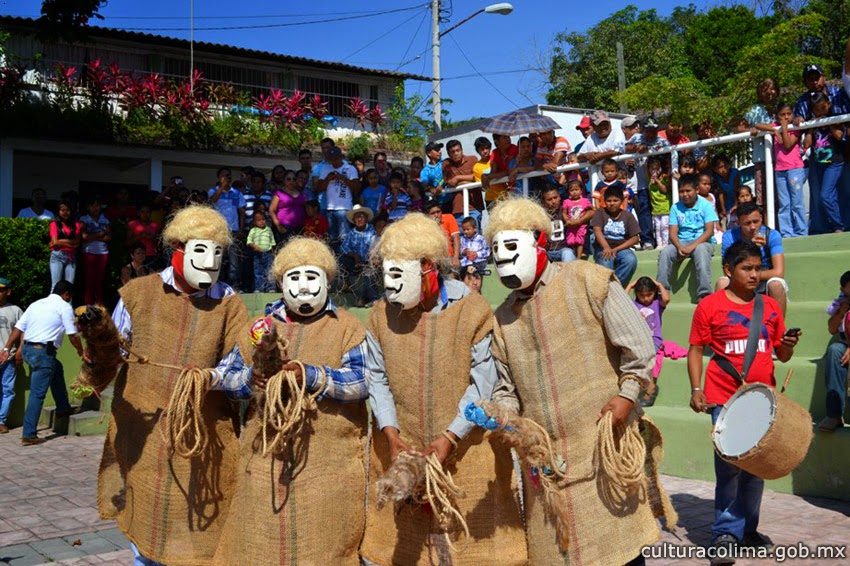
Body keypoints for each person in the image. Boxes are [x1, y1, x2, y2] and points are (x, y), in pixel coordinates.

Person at [484, 197, 672, 566]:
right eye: (496, 250)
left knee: (621, 554)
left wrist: (627, 396)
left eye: (511, 246)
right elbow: (505, 388)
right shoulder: (502, 319)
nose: (503, 257)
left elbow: (639, 346)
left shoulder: (589, 280)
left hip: (602, 452)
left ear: (539, 241)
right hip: (547, 470)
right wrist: (505, 418)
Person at [360, 213, 526, 565]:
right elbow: (377, 377)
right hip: (402, 453)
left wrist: (450, 437)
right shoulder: (379, 316)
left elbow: (482, 381)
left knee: (472, 550)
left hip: (468, 453)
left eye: (400, 273)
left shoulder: (473, 310)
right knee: (404, 551)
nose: (391, 286)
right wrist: (391, 435)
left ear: (428, 267)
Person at [100, 205, 254, 565]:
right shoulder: (137, 293)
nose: (210, 262)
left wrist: (211, 377)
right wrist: (97, 346)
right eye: (201, 250)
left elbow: (241, 366)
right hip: (143, 432)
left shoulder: (229, 303)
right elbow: (113, 353)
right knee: (145, 516)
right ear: (178, 249)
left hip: (201, 436)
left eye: (218, 253)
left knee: (196, 524)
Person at [214, 237, 370, 564]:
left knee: (325, 548)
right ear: (281, 282)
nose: (303, 286)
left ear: (327, 281)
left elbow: (363, 380)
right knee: (261, 546)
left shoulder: (348, 327)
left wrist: (311, 376)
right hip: (264, 459)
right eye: (294, 277)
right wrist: (250, 380)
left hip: (328, 464)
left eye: (312, 277)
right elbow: (228, 377)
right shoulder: (257, 327)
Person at [688, 241, 799, 563]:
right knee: (730, 469)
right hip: (724, 398)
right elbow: (696, 349)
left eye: (757, 269)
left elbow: (782, 354)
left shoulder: (770, 306)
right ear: (728, 270)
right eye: (746, 268)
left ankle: (748, 530)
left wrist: (788, 344)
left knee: (755, 470)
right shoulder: (709, 306)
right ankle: (724, 534)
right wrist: (696, 388)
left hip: (762, 400)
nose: (754, 275)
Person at [0, 280, 84, 445]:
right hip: (42, 352)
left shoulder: (36, 304)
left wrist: (6, 348)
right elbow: (72, 334)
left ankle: (63, 408)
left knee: (56, 368)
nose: (69, 300)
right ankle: (29, 435)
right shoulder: (64, 306)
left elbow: (18, 328)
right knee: (37, 394)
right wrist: (81, 351)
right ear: (66, 294)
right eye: (69, 297)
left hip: (28, 350)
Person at [716, 202, 788, 316]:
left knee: (776, 285)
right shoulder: (729, 237)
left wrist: (752, 275)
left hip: (764, 278)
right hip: (740, 277)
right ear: (738, 223)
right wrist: (748, 245)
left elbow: (779, 272)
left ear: (761, 218)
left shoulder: (772, 235)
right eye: (747, 223)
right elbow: (728, 270)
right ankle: (723, 323)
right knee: (722, 282)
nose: (753, 227)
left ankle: (778, 325)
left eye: (756, 221)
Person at [658, 174, 718, 301]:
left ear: (697, 190)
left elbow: (709, 231)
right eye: (681, 191)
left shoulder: (706, 205)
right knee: (665, 252)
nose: (685, 194)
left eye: (688, 191)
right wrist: (679, 246)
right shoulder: (675, 207)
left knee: (701, 250)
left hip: (703, 241)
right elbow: (672, 233)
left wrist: (692, 247)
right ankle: (662, 290)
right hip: (682, 242)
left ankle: (705, 294)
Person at [754, 102, 807, 237]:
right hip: (780, 170)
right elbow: (757, 125)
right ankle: (786, 232)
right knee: (784, 203)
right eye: (782, 115)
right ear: (777, 116)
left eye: (789, 114)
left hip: (794, 169)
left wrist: (784, 128)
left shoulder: (794, 127)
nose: (786, 117)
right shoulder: (776, 126)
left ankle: (801, 231)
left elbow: (787, 144)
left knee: (796, 202)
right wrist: (775, 130)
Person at [802, 92, 847, 234]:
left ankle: (838, 225)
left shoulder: (835, 119)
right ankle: (830, 225)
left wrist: (828, 122)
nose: (820, 112)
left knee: (826, 195)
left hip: (834, 162)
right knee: (825, 196)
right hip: (819, 163)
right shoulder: (813, 123)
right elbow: (806, 144)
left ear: (828, 105)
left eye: (823, 108)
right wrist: (812, 126)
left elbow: (839, 136)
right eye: (817, 110)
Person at [625, 117, 672, 250]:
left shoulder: (663, 142)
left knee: (663, 212)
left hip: (658, 184)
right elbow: (625, 148)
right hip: (642, 184)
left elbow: (671, 156)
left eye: (653, 130)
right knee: (644, 211)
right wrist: (636, 148)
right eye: (648, 130)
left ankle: (666, 240)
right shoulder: (636, 138)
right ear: (643, 130)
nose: (651, 133)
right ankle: (648, 241)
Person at [625, 276, 671, 407]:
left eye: (649, 294)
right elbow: (623, 299)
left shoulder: (657, 304)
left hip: (653, 339)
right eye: (641, 295)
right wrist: (631, 285)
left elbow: (666, 299)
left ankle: (651, 388)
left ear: (654, 292)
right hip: (639, 340)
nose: (645, 298)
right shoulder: (634, 305)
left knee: (646, 357)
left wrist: (659, 285)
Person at [818, 270, 850, 431]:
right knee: (835, 350)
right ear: (843, 289)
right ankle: (834, 414)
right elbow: (832, 329)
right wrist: (841, 312)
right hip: (845, 345)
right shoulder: (841, 304)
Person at [591, 186, 641, 286]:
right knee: (606, 261)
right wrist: (606, 247)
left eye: (615, 200)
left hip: (621, 248)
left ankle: (614, 287)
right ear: (604, 201)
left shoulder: (627, 215)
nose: (612, 203)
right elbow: (597, 230)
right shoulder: (600, 212)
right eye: (609, 201)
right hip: (603, 247)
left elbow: (635, 238)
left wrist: (616, 249)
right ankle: (609, 288)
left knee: (631, 260)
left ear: (621, 201)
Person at [208, 166, 247, 290]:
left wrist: (241, 229)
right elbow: (213, 201)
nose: (227, 177)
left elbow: (242, 212)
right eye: (224, 175)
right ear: (218, 178)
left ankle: (234, 287)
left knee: (234, 261)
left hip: (233, 231)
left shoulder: (237, 193)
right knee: (218, 259)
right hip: (218, 231)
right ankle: (216, 286)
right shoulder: (212, 191)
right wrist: (221, 187)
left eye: (228, 175)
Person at [315, 146, 360, 251]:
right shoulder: (326, 168)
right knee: (332, 238)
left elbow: (356, 188)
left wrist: (343, 178)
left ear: (341, 157)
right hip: (330, 208)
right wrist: (327, 179)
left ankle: (345, 257)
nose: (334, 161)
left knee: (344, 237)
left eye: (336, 158)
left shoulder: (350, 168)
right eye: (331, 159)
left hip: (344, 208)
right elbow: (318, 188)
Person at [339, 205, 380, 307]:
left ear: (366, 218)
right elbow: (343, 247)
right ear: (354, 220)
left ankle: (370, 298)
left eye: (361, 216)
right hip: (356, 262)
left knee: (368, 273)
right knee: (343, 259)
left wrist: (372, 257)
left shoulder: (372, 231)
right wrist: (354, 255)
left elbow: (375, 246)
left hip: (370, 261)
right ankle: (352, 288)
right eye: (357, 217)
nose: (359, 219)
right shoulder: (351, 233)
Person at [0, 278, 23, 434]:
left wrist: (20, 350)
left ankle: (1, 420)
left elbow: (23, 331)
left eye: (1, 290)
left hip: (8, 358)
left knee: (7, 390)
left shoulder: (16, 310)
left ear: (8, 292)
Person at [442, 139, 484, 225]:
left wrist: (458, 178)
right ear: (449, 154)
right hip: (458, 208)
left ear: (462, 150)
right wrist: (468, 183)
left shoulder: (472, 159)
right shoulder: (446, 164)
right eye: (452, 152)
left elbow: (477, 177)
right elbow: (450, 183)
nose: (456, 153)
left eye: (458, 150)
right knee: (461, 232)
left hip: (474, 206)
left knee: (475, 231)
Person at [79, 196, 111, 305]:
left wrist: (93, 237)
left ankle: (99, 306)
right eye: (92, 206)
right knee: (89, 281)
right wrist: (100, 234)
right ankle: (88, 306)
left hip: (103, 253)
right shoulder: (84, 219)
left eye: (97, 205)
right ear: (88, 207)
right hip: (89, 253)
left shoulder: (105, 220)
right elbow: (84, 237)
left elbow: (109, 237)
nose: (95, 208)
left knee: (100, 281)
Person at [48, 201, 81, 290]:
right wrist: (71, 243)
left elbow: (77, 242)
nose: (65, 212)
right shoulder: (54, 224)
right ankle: (54, 300)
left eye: (67, 210)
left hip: (71, 257)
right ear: (58, 212)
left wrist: (60, 241)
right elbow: (55, 242)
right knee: (55, 285)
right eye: (62, 210)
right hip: (57, 256)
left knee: (69, 286)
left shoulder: (76, 225)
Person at [269, 168, 307, 243]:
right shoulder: (279, 193)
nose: (291, 181)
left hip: (300, 228)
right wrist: (278, 226)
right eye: (288, 179)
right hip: (284, 227)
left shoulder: (302, 194)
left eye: (294, 179)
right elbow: (271, 211)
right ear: (284, 180)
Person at [540, 185, 574, 263]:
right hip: (546, 252)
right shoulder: (541, 215)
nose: (553, 201)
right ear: (544, 202)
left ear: (560, 197)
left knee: (568, 253)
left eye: (555, 198)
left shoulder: (566, 211)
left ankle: (568, 271)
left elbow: (590, 212)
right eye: (549, 199)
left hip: (564, 250)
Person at [425, 197, 461, 270]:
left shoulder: (449, 217)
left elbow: (456, 238)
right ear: (427, 215)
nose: (436, 215)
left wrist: (456, 257)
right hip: (433, 260)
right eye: (433, 213)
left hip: (449, 258)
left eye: (438, 212)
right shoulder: (425, 225)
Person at [562, 179, 593, 260]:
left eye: (576, 189)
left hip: (581, 226)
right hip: (571, 226)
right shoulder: (566, 202)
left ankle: (579, 257)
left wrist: (582, 219)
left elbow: (591, 210)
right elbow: (564, 213)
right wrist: (566, 220)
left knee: (580, 241)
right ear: (568, 192)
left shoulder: (585, 201)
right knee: (571, 241)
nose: (574, 192)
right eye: (572, 190)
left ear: (581, 190)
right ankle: (574, 255)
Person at [483, 133, 517, 205]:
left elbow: (509, 171)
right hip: (508, 191)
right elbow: (493, 172)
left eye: (508, 136)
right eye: (504, 137)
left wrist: (487, 176)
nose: (508, 139)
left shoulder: (513, 148)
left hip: (518, 185)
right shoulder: (495, 152)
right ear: (497, 142)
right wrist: (486, 176)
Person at [246, 210, 276, 292]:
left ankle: (271, 288)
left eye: (263, 219)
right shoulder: (253, 230)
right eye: (259, 220)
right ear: (254, 222)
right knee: (258, 272)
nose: (262, 221)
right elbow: (249, 241)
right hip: (257, 254)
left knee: (270, 271)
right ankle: (259, 288)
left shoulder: (269, 230)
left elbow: (272, 241)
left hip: (268, 254)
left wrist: (273, 251)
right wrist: (254, 246)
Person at [647, 156, 672, 248]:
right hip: (655, 210)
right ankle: (659, 244)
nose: (654, 172)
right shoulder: (649, 180)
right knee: (657, 228)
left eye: (657, 169)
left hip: (665, 209)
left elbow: (665, 190)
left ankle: (665, 243)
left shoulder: (663, 179)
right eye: (652, 169)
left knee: (664, 227)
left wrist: (657, 181)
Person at [127, 204, 161, 269]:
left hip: (151, 256)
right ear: (138, 213)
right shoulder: (132, 224)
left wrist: (151, 237)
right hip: (136, 256)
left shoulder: (156, 225)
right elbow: (128, 243)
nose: (145, 214)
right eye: (142, 212)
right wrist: (139, 236)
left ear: (150, 213)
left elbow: (158, 245)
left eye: (147, 212)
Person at [712, 154, 743, 220]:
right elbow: (720, 193)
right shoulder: (716, 178)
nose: (724, 170)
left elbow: (737, 190)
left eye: (725, 166)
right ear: (715, 169)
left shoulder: (735, 173)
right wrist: (723, 210)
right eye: (720, 167)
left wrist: (736, 204)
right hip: (727, 203)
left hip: (738, 200)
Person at [420, 141, 446, 206]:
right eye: (436, 150)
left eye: (439, 149)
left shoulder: (445, 162)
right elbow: (424, 185)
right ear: (429, 153)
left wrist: (442, 186)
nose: (439, 152)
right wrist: (431, 188)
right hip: (438, 202)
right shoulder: (425, 171)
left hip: (451, 199)